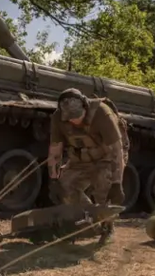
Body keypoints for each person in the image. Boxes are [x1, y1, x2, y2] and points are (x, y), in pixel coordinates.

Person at [47, 88, 128, 243]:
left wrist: (117, 183)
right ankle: (90, 222)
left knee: (104, 186)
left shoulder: (102, 114)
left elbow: (117, 151)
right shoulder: (58, 118)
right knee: (65, 187)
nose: (74, 121)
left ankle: (107, 227)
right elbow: (55, 149)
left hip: (107, 157)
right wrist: (54, 179)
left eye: (77, 116)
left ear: (85, 106)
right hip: (80, 159)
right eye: (69, 118)